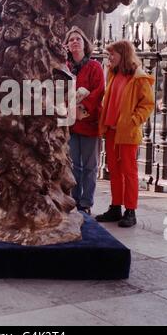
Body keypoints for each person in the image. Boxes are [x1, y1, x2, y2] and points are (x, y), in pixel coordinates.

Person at [96, 40, 154, 227]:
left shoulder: (138, 77)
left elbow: (147, 104)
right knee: (114, 171)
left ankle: (130, 210)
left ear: (123, 55)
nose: (109, 57)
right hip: (112, 131)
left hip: (127, 132)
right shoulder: (113, 73)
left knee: (129, 172)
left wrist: (133, 121)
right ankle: (115, 207)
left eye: (112, 54)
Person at [66, 26, 105, 215]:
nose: (74, 42)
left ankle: (86, 202)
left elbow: (99, 90)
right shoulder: (64, 67)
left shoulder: (95, 66)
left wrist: (83, 107)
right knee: (73, 165)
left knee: (89, 166)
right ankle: (74, 199)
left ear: (84, 44)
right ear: (67, 45)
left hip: (89, 122)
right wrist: (68, 106)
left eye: (78, 39)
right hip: (71, 123)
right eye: (71, 39)